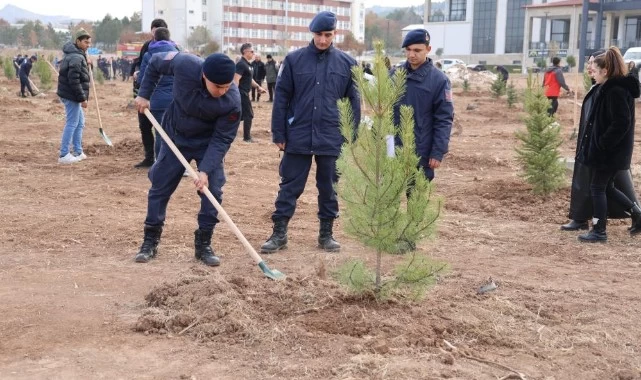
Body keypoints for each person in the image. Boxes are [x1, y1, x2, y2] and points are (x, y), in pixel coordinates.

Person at [260, 11, 361, 254]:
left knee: (329, 187)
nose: (323, 40)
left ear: (334, 34)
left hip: (331, 136)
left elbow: (354, 104)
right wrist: (279, 133)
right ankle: (279, 233)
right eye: (319, 34)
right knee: (289, 186)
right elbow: (282, 98)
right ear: (312, 33)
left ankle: (326, 234)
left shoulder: (347, 64)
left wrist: (351, 136)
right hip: (299, 135)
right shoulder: (294, 61)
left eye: (328, 35)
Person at [133, 52, 241, 265]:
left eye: (227, 86)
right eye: (217, 86)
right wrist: (144, 94)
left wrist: (206, 170)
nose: (222, 91)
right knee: (160, 186)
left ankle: (203, 244)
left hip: (207, 143)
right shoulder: (185, 64)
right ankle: (150, 240)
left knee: (214, 191)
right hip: (175, 137)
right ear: (204, 76)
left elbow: (222, 138)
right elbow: (154, 63)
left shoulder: (233, 101)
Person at [561, 49, 639, 231]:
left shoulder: (615, 91)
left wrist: (602, 144)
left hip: (609, 153)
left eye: (594, 69)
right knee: (607, 188)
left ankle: (599, 231)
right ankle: (637, 214)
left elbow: (621, 122)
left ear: (604, 71)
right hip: (609, 152)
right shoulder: (608, 88)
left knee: (597, 187)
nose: (591, 72)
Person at [393, 29, 453, 182]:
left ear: (428, 49)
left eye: (417, 50)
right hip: (393, 150)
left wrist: (437, 152)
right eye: (408, 50)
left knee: (416, 201)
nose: (411, 55)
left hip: (421, 153)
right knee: (388, 201)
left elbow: (444, 119)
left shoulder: (439, 80)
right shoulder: (394, 75)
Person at [132, 18, 168, 168]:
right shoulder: (147, 46)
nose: (155, 32)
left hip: (157, 93)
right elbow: (138, 63)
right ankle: (149, 157)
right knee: (145, 126)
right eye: (154, 29)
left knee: (162, 129)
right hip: (146, 93)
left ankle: (162, 162)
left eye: (158, 29)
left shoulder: (171, 48)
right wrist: (136, 72)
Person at [138, 27, 179, 159]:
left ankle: (161, 164)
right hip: (177, 99)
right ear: (169, 38)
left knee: (160, 132)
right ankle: (180, 166)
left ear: (154, 38)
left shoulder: (149, 55)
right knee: (177, 131)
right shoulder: (178, 53)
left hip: (157, 100)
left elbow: (143, 79)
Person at [56, 29, 92, 164]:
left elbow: (82, 74)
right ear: (78, 41)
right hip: (71, 95)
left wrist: (88, 65)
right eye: (85, 42)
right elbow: (74, 80)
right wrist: (82, 98)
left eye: (89, 43)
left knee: (80, 122)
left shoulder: (77, 55)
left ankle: (78, 151)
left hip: (72, 94)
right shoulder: (76, 57)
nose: (88, 45)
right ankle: (64, 155)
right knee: (72, 123)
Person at [234, 43, 265, 142]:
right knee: (248, 115)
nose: (253, 53)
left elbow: (249, 79)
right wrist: (235, 95)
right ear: (245, 52)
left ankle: (230, 133)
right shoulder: (241, 64)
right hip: (241, 93)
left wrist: (258, 87)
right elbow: (236, 80)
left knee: (239, 116)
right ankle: (247, 137)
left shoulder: (248, 65)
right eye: (252, 51)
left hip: (245, 92)